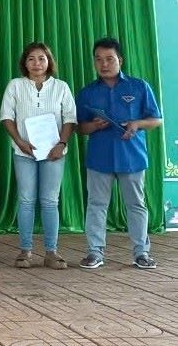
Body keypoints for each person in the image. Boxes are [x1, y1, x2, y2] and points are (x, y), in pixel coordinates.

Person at [76, 37, 162, 270]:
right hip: (99, 157)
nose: (104, 64)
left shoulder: (139, 86)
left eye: (109, 59)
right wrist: (94, 126)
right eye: (98, 60)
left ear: (120, 60)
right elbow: (79, 127)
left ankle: (141, 253)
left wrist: (137, 124)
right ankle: (94, 253)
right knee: (96, 205)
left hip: (132, 157)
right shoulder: (87, 93)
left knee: (136, 205)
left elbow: (156, 120)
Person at [0, 42, 76, 270]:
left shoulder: (61, 87)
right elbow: (6, 117)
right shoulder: (15, 86)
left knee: (50, 200)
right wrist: (20, 142)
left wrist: (61, 144)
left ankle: (51, 251)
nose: (36, 63)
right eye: (31, 59)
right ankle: (25, 251)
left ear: (49, 61)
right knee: (26, 200)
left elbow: (70, 118)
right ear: (24, 63)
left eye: (41, 58)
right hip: (24, 152)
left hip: (54, 153)